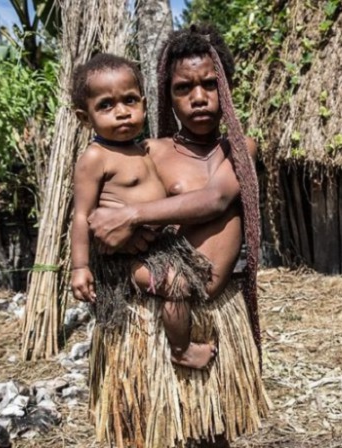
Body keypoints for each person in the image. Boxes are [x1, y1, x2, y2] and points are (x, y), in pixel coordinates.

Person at [86, 24, 268, 447]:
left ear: (226, 86)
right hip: (157, 318)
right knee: (158, 432)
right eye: (184, 87)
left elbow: (218, 199)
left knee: (212, 432)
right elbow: (100, 217)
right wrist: (121, 236)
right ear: (167, 94)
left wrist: (134, 215)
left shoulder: (241, 149)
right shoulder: (149, 152)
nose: (199, 97)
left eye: (209, 84)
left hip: (217, 315)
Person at [69, 52, 219, 370]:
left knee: (193, 276)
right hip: (123, 259)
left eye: (130, 101)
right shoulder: (96, 157)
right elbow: (82, 215)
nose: (122, 113)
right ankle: (180, 350)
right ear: (85, 118)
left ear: (145, 105)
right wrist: (79, 267)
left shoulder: (143, 148)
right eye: (106, 106)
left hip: (156, 246)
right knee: (176, 285)